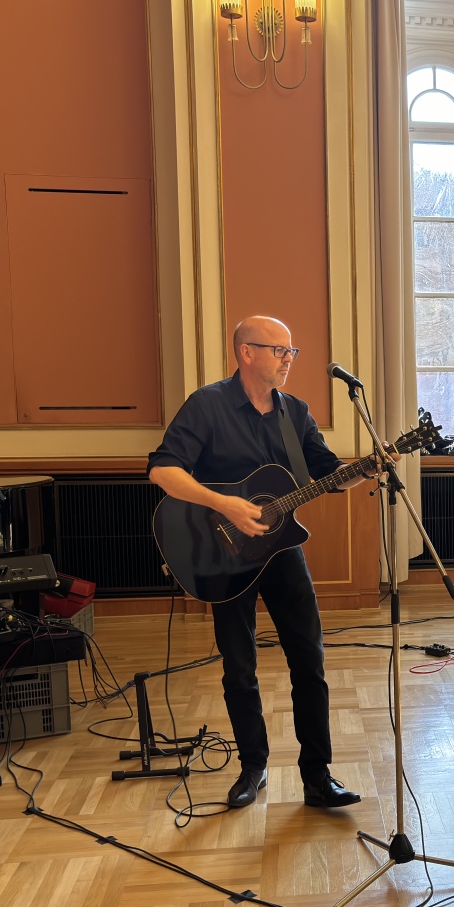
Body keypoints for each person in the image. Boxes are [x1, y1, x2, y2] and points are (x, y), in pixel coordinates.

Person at [148, 316, 365, 810]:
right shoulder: (208, 405)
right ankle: (254, 766)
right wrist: (224, 504)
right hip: (219, 552)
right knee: (239, 666)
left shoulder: (296, 414)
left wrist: (367, 468)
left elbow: (329, 474)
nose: (289, 360)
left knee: (309, 661)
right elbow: (163, 469)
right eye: (279, 351)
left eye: (292, 352)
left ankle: (317, 776)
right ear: (246, 353)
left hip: (281, 549)